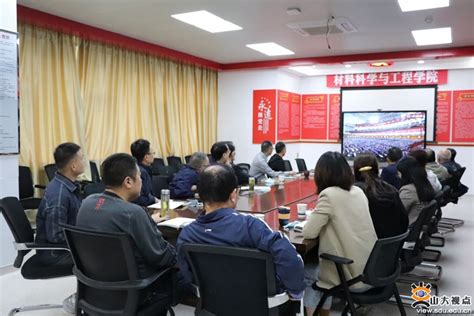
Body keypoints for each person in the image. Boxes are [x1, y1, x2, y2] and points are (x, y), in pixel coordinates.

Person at [177, 165, 305, 313]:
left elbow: (188, 275)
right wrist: (295, 291)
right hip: (261, 309)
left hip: (213, 307)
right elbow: (288, 256)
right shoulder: (250, 225)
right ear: (233, 194)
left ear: (199, 195)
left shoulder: (187, 234)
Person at [76, 153, 176, 314]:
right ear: (128, 181)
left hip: (94, 290)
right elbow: (160, 256)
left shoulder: (87, 202)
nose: (142, 181)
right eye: (140, 177)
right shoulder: (133, 213)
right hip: (134, 292)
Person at [302, 152, 377, 316]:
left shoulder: (329, 195)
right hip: (372, 270)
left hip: (350, 276)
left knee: (306, 271)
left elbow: (308, 232)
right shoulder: (358, 191)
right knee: (319, 266)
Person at [35, 142, 86, 313]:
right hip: (54, 253)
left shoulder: (66, 185)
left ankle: (89, 298)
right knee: (103, 255)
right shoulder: (59, 194)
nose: (85, 161)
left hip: (63, 247)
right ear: (73, 165)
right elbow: (56, 236)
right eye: (82, 158)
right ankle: (90, 300)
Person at [353, 153, 408, 238]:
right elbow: (404, 220)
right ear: (377, 169)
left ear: (354, 170)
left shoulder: (352, 192)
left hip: (366, 244)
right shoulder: (391, 189)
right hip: (391, 244)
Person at [397, 157, 436, 226]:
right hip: (417, 225)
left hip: (406, 227)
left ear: (405, 174)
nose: (398, 176)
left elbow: (398, 212)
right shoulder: (424, 184)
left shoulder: (408, 190)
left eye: (399, 173)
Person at [130, 139, 159, 207]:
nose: (154, 156)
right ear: (146, 157)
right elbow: (139, 199)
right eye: (153, 153)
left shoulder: (135, 168)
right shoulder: (141, 173)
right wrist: (154, 199)